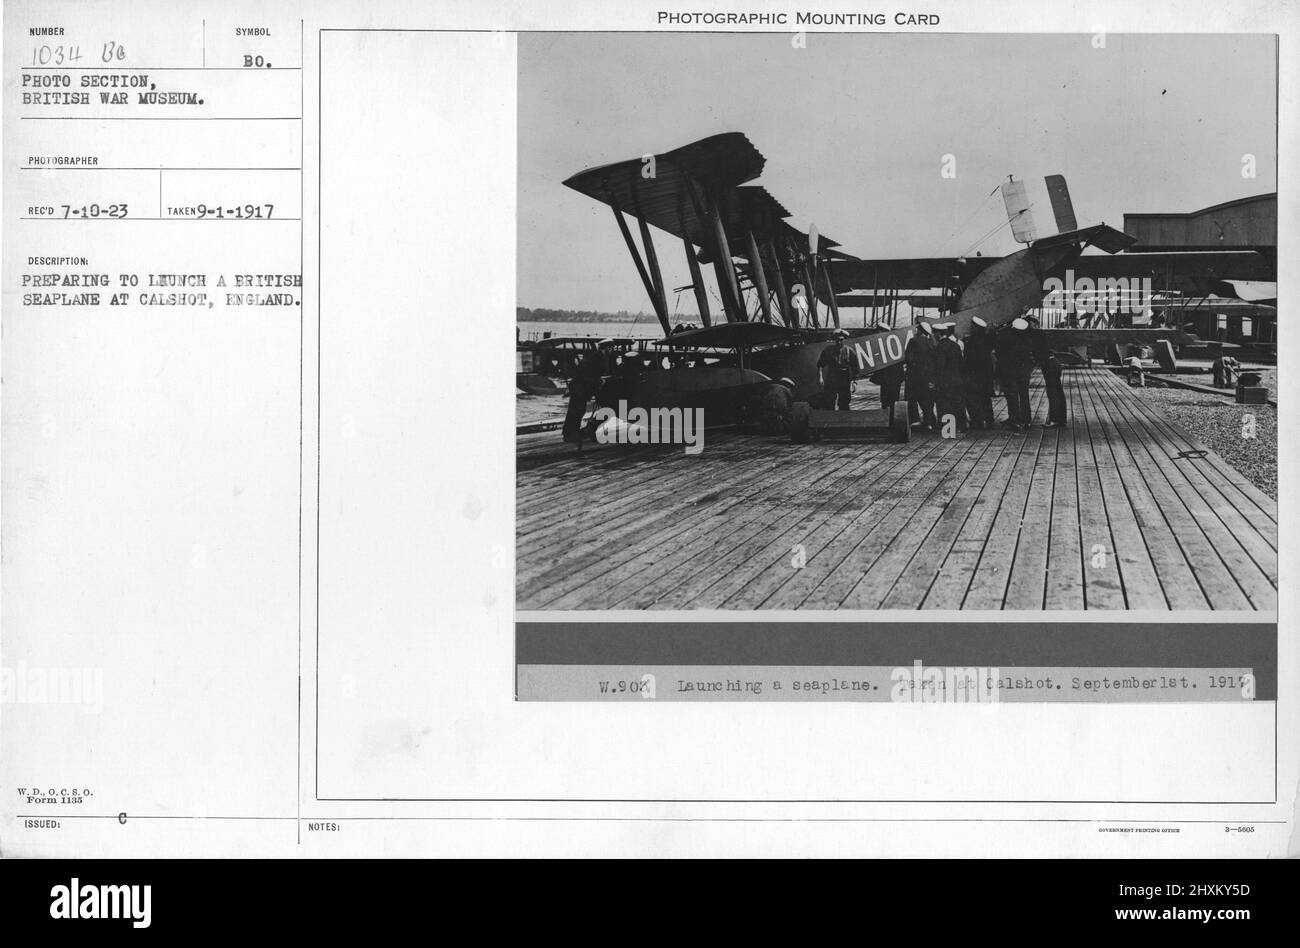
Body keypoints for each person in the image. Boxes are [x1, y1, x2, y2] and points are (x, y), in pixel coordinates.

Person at [1026, 315, 1067, 428]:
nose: (1028, 326)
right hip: (1052, 363)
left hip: (1049, 365)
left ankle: (1055, 420)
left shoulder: (1037, 333)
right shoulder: (1040, 333)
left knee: (1053, 393)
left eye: (1029, 324)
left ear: (1034, 324)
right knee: (1057, 392)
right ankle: (1060, 420)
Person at [562, 349, 606, 448]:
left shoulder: (587, 363)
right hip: (580, 390)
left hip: (578, 389)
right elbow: (591, 378)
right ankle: (570, 433)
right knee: (577, 410)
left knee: (575, 411)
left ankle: (569, 433)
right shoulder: (593, 365)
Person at [995, 318, 1034, 429]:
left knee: (1012, 396)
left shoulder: (1006, 337)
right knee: (1024, 396)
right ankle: (1026, 420)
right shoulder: (1027, 339)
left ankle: (1014, 419)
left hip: (1009, 371)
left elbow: (999, 352)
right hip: (1024, 371)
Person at [961, 316, 996, 429]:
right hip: (986, 375)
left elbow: (967, 359)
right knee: (986, 398)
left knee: (973, 399)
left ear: (976, 328)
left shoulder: (969, 341)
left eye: (972, 326)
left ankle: (978, 421)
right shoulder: (988, 340)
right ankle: (989, 421)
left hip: (974, 375)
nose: (970, 328)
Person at [932, 323, 967, 431]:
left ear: (938, 334)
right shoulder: (955, 345)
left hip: (945, 382)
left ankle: (948, 429)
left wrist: (936, 382)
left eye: (934, 333)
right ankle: (961, 427)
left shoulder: (940, 347)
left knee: (945, 406)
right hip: (957, 380)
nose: (933, 335)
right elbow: (961, 364)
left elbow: (939, 367)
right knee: (958, 404)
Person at [904, 321, 937, 430]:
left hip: (914, 377)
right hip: (928, 377)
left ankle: (915, 421)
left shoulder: (913, 341)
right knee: (927, 400)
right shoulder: (931, 343)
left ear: (920, 330)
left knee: (912, 399)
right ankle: (929, 422)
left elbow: (908, 358)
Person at [818, 329, 856, 410]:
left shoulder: (850, 351)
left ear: (844, 340)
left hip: (844, 378)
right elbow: (820, 364)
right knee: (829, 400)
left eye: (841, 340)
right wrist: (820, 377)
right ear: (835, 340)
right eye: (837, 340)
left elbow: (855, 367)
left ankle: (844, 419)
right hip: (832, 377)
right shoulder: (828, 350)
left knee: (844, 401)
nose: (839, 342)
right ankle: (829, 419)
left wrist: (854, 382)